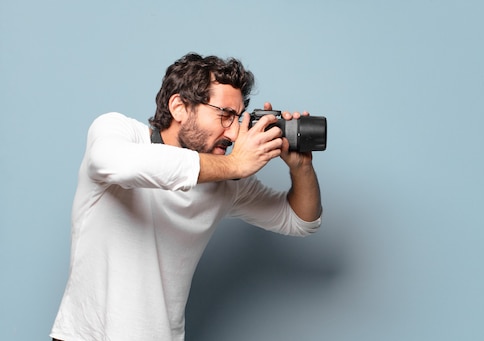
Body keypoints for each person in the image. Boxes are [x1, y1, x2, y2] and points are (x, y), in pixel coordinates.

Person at [50, 52, 322, 341]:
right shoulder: (120, 131)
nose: (232, 133)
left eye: (237, 118)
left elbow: (301, 221)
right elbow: (112, 163)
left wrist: (301, 167)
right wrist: (236, 165)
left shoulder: (226, 182)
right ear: (179, 107)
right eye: (225, 115)